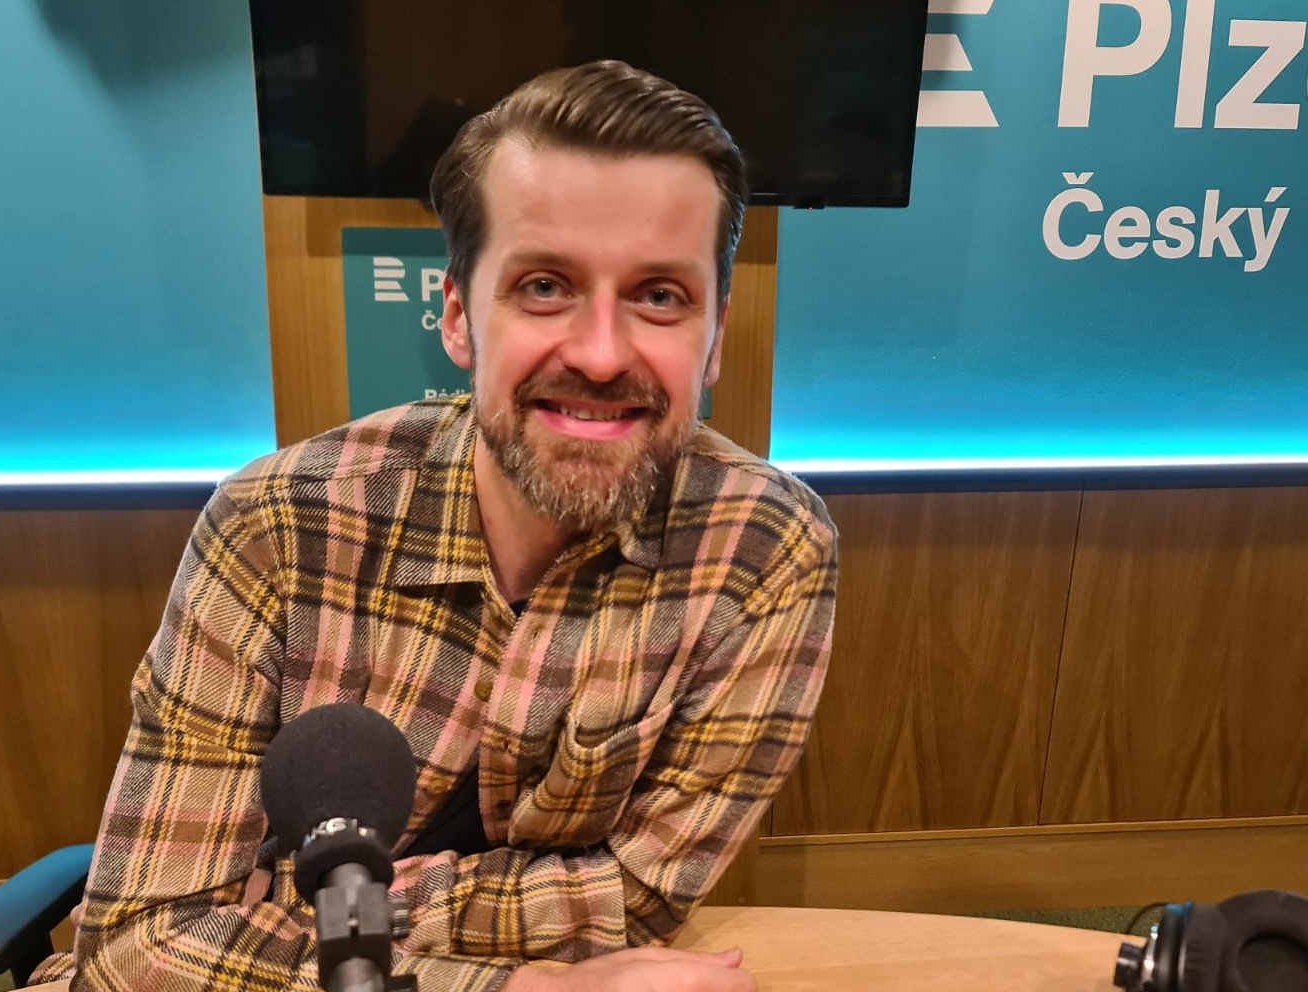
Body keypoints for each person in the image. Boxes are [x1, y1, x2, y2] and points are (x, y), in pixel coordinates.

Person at [50, 59, 837, 992]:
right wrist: (519, 988)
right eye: (544, 285)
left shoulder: (765, 548)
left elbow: (639, 895)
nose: (600, 353)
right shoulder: (277, 526)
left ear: (713, 338)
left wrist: (310, 912)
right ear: (458, 317)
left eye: (660, 296)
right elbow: (139, 950)